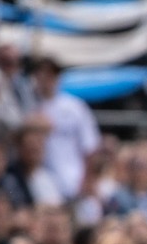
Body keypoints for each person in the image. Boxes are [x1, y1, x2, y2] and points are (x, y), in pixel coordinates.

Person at [32, 59, 100, 201]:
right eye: (42, 74)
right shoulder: (30, 106)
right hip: (43, 180)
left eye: (51, 74)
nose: (46, 79)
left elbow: (90, 147)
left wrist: (87, 180)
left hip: (75, 179)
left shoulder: (75, 107)